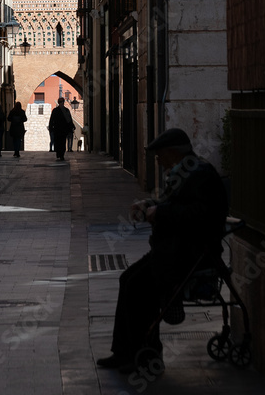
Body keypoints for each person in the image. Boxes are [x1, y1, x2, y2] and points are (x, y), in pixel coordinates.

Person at [97, 128, 228, 376]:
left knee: (138, 288)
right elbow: (174, 205)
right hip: (171, 251)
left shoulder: (200, 174)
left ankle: (143, 355)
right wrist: (149, 205)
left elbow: (199, 214)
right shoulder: (185, 172)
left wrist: (161, 213)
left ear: (171, 153)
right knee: (128, 279)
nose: (157, 160)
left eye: (159, 155)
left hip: (189, 255)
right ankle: (124, 351)